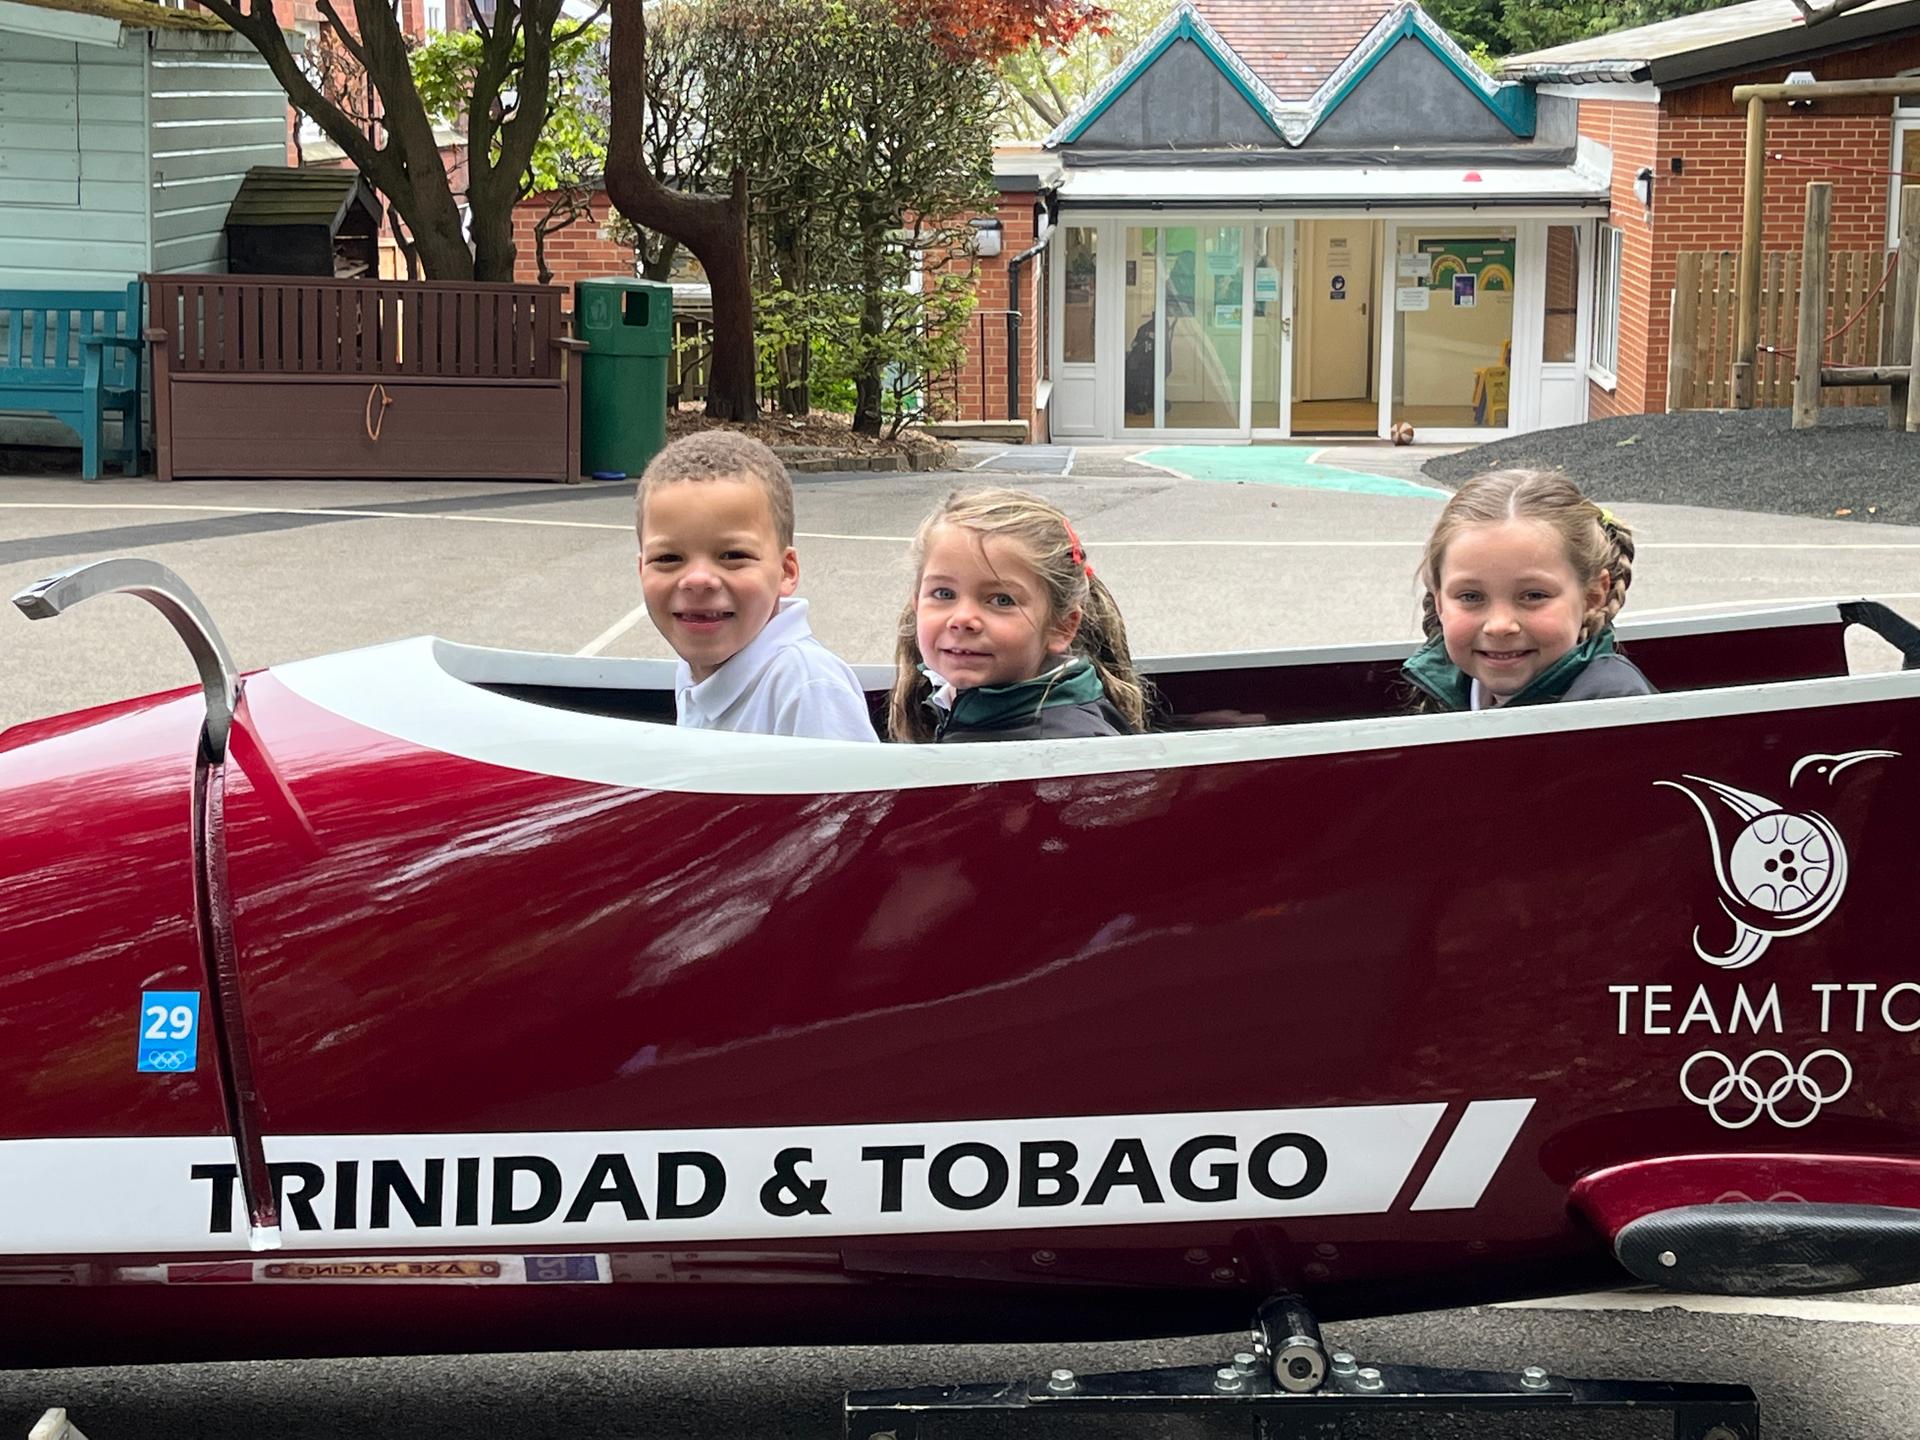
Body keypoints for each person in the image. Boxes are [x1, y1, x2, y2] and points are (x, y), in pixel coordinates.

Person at [637, 431, 878, 741]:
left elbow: (855, 791)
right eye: (669, 557)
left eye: (733, 555)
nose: (698, 580)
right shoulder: (693, 671)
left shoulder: (806, 687)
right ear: (641, 569)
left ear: (786, 571)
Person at [889, 487, 1148, 742]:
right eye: (944, 594)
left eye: (1002, 600)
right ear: (916, 602)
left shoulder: (1067, 753)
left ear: (1060, 627)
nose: (962, 619)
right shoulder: (953, 701)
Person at [1402, 469, 1654, 711]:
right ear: (1440, 604)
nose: (1499, 626)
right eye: (1471, 596)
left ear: (1591, 597)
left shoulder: (1612, 707)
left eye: (1534, 596)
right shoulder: (1452, 686)